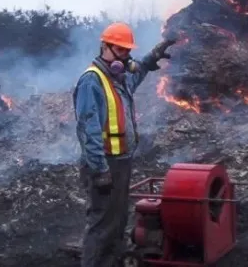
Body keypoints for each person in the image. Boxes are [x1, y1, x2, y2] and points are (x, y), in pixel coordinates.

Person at [72, 22, 175, 267]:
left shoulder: (119, 79)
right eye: (120, 50)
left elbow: (137, 73)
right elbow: (88, 129)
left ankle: (112, 262)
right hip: (105, 165)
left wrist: (152, 58)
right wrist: (99, 171)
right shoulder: (92, 81)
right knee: (102, 223)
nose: (125, 55)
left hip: (121, 162)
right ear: (104, 47)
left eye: (128, 51)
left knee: (117, 221)